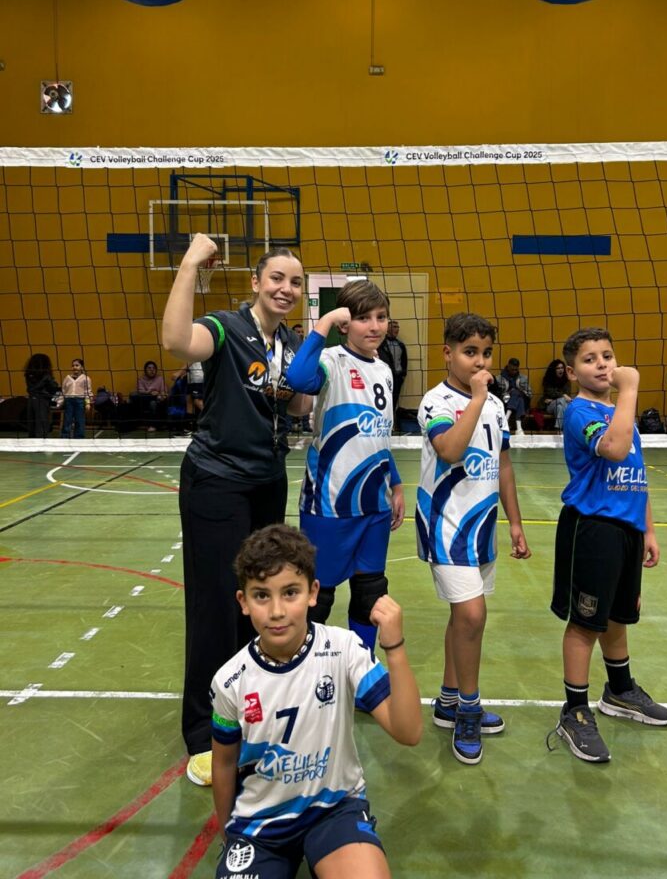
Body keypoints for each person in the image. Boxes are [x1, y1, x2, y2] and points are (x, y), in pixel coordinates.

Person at [162, 233, 313, 788]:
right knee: (214, 607)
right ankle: (203, 734)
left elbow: (297, 404)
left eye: (295, 282)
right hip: (216, 482)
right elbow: (177, 340)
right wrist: (190, 263)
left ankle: (249, 709)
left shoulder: (292, 341)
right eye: (277, 278)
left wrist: (314, 359)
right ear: (256, 282)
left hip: (267, 481)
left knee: (260, 602)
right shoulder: (227, 327)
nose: (286, 288)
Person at [210, 524, 421, 879]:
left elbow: (409, 731)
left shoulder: (344, 649)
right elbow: (224, 764)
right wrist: (229, 835)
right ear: (243, 602)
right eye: (262, 595)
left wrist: (395, 648)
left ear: (313, 592)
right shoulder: (230, 681)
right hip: (260, 826)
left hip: (334, 809)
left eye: (290, 592)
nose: (277, 611)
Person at [547, 327, 667, 765]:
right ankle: (575, 710)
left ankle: (619, 691)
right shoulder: (581, 412)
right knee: (586, 622)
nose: (601, 364)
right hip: (592, 528)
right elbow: (616, 450)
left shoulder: (620, 411)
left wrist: (648, 529)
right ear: (571, 371)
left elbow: (636, 472)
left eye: (607, 355)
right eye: (589, 359)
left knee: (618, 615)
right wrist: (632, 387)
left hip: (626, 527)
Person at [416, 312, 530, 766]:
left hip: (482, 527)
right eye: (469, 352)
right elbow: (450, 450)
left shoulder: (497, 406)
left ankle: (447, 701)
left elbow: (502, 465)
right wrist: (478, 400)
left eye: (485, 352)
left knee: (464, 620)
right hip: (445, 525)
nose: (479, 361)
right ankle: (467, 708)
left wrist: (516, 522)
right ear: (448, 353)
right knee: (473, 616)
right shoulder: (436, 401)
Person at [285, 281, 404, 651]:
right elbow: (298, 379)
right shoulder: (331, 361)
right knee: (319, 595)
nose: (374, 326)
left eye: (381, 317)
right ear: (344, 325)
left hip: (374, 505)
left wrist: (396, 484)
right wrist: (321, 325)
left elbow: (379, 435)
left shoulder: (384, 369)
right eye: (363, 318)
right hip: (330, 506)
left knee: (371, 591)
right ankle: (302, 666)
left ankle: (359, 666)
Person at [377, 319, 408, 419]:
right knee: (384, 399)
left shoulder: (400, 345)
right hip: (384, 377)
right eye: (394, 327)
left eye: (397, 327)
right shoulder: (380, 344)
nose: (397, 329)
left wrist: (403, 374)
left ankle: (391, 421)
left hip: (397, 377)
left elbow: (404, 361)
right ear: (388, 328)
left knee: (394, 400)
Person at [24, 353, 59, 438]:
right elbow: (54, 388)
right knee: (41, 422)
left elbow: (30, 389)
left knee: (32, 423)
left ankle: (33, 441)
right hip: (41, 400)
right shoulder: (45, 376)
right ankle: (40, 441)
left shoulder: (29, 374)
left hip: (32, 400)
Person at [496, 357, 532, 435]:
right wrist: (508, 393)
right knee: (518, 399)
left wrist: (520, 391)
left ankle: (506, 418)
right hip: (504, 401)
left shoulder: (523, 378)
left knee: (517, 394)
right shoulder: (499, 378)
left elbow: (529, 393)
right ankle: (519, 428)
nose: (514, 371)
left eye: (516, 370)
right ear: (508, 366)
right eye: (512, 369)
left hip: (522, 398)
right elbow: (496, 395)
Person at [60, 358, 93, 438]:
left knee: (79, 420)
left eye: (77, 365)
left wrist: (88, 403)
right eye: (73, 365)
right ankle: (65, 437)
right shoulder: (67, 378)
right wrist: (61, 401)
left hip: (80, 401)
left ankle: (79, 438)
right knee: (67, 420)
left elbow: (88, 392)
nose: (74, 367)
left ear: (82, 367)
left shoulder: (86, 378)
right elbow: (63, 391)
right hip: (68, 401)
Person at [132, 360, 168, 431]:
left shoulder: (160, 379)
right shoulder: (141, 379)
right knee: (133, 395)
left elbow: (164, 392)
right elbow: (140, 391)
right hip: (144, 400)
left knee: (153, 403)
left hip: (157, 400)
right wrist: (150, 393)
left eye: (154, 368)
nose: (152, 370)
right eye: (149, 368)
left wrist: (158, 394)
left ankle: (153, 425)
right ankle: (136, 425)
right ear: (145, 370)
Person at [538, 358, 572, 431]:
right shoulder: (547, 379)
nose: (560, 370)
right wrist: (562, 395)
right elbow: (550, 392)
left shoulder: (566, 380)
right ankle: (567, 427)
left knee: (560, 407)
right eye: (558, 368)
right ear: (554, 370)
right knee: (562, 400)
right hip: (549, 405)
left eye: (562, 368)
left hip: (559, 404)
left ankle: (558, 429)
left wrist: (556, 397)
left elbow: (567, 394)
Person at [289, 323, 311, 433]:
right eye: (298, 332)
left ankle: (306, 425)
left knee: (304, 400)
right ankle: (287, 427)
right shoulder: (287, 344)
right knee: (288, 401)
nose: (300, 334)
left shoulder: (306, 344)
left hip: (304, 377)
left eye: (302, 332)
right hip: (290, 378)